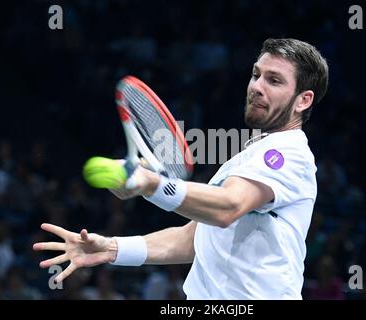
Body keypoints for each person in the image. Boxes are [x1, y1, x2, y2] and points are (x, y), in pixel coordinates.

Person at [33, 38, 329, 299]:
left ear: (303, 100)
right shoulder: (246, 157)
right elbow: (192, 240)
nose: (256, 87)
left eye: (274, 81)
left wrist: (152, 185)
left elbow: (228, 207)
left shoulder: (288, 153)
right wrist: (111, 249)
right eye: (256, 74)